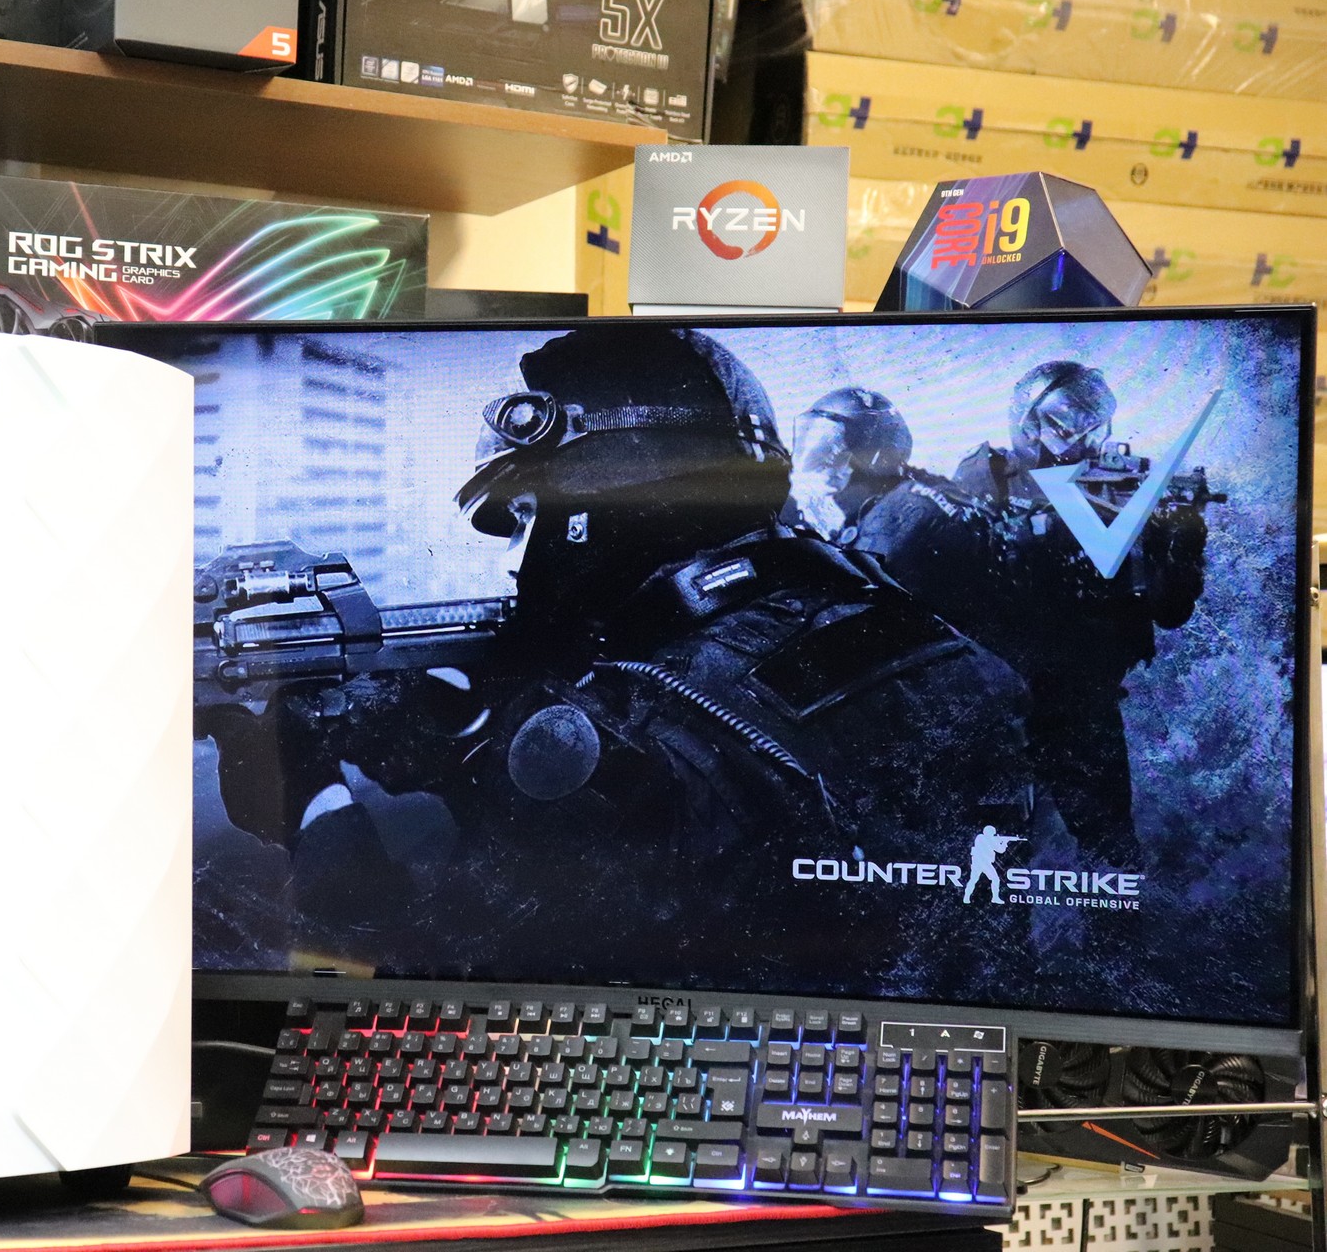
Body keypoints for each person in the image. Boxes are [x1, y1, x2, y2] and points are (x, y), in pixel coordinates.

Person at [206, 326, 1033, 1000]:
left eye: (531, 515)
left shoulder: (656, 720)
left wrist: (309, 795)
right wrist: (458, 736)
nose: (521, 556)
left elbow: (420, 986)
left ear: (607, 507)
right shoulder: (893, 624)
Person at [953, 360, 1207, 868]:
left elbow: (1170, 611)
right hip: (1001, 695)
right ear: (1030, 428)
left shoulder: (1120, 489)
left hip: (1082, 700)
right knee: (988, 855)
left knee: (1111, 856)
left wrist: (1180, 546)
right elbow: (959, 584)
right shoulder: (989, 477)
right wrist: (1045, 530)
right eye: (1070, 428)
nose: (1090, 443)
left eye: (1097, 426)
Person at [785, 387, 1006, 643]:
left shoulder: (900, 518)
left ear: (875, 459)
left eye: (835, 452)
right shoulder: (900, 495)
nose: (821, 470)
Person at [963, 825, 1025, 905]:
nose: (993, 834)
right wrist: (1004, 843)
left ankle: (994, 897)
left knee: (980, 880)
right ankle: (968, 896)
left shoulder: (982, 838)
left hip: (982, 863)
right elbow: (1000, 850)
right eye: (992, 833)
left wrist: (1001, 841)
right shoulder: (981, 837)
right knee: (989, 880)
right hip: (981, 863)